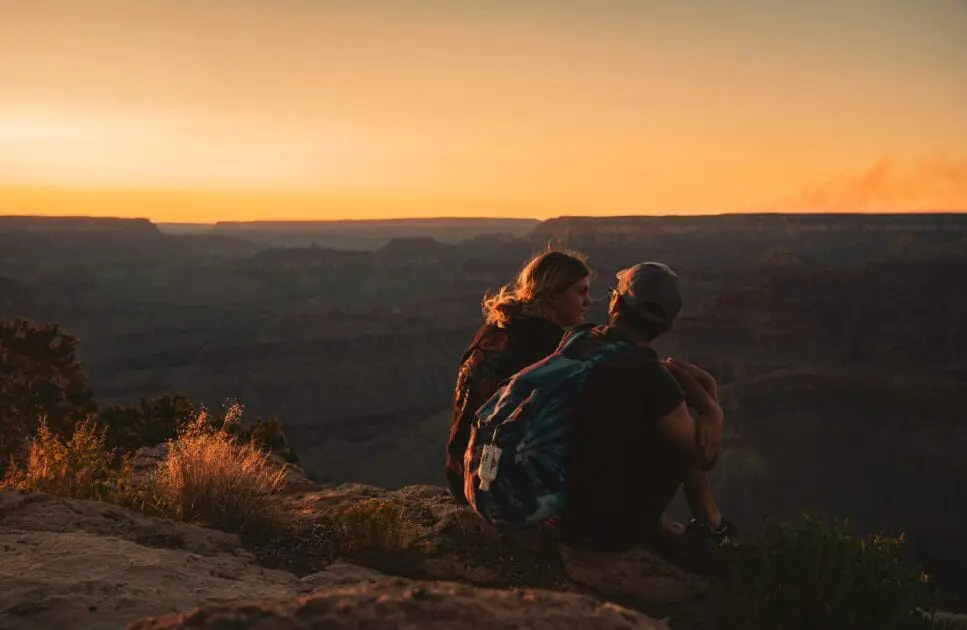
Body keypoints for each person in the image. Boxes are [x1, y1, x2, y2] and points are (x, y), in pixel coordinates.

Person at [547, 261, 737, 562]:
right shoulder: (651, 378)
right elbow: (704, 455)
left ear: (616, 302)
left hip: (552, 509)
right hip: (602, 529)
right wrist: (711, 407)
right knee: (679, 435)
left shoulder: (580, 338)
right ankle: (711, 526)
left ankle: (707, 523)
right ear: (667, 326)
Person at [445, 249, 594, 503]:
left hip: (462, 475)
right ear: (552, 295)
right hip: (497, 487)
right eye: (580, 291)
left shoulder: (493, 329)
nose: (588, 301)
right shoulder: (547, 348)